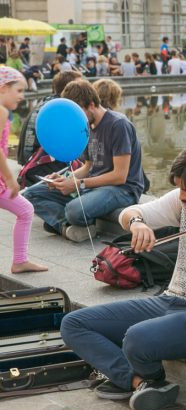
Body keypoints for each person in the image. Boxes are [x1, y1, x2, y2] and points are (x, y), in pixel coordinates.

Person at [60, 144, 186, 410]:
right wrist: (137, 224)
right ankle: (139, 381)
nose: (183, 196)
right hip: (171, 300)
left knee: (136, 338)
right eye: (180, 188)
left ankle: (146, 380)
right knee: (73, 323)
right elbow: (128, 213)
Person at [23, 80, 144, 242]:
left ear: (91, 105)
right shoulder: (85, 125)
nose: (74, 121)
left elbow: (119, 176)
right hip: (94, 186)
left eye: (77, 113)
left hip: (122, 190)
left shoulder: (118, 124)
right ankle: (66, 227)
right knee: (30, 194)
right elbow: (88, 166)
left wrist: (78, 184)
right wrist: (65, 179)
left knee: (74, 210)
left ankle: (65, 224)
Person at [0, 67, 47, 274]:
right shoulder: (1, 112)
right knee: (26, 210)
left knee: (25, 210)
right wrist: (10, 179)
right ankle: (19, 261)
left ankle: (20, 260)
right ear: (3, 88)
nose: (22, 96)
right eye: (19, 90)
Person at [17, 70, 82, 180]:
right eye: (80, 87)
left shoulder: (47, 102)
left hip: (29, 161)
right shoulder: (61, 108)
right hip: (39, 167)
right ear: (69, 88)